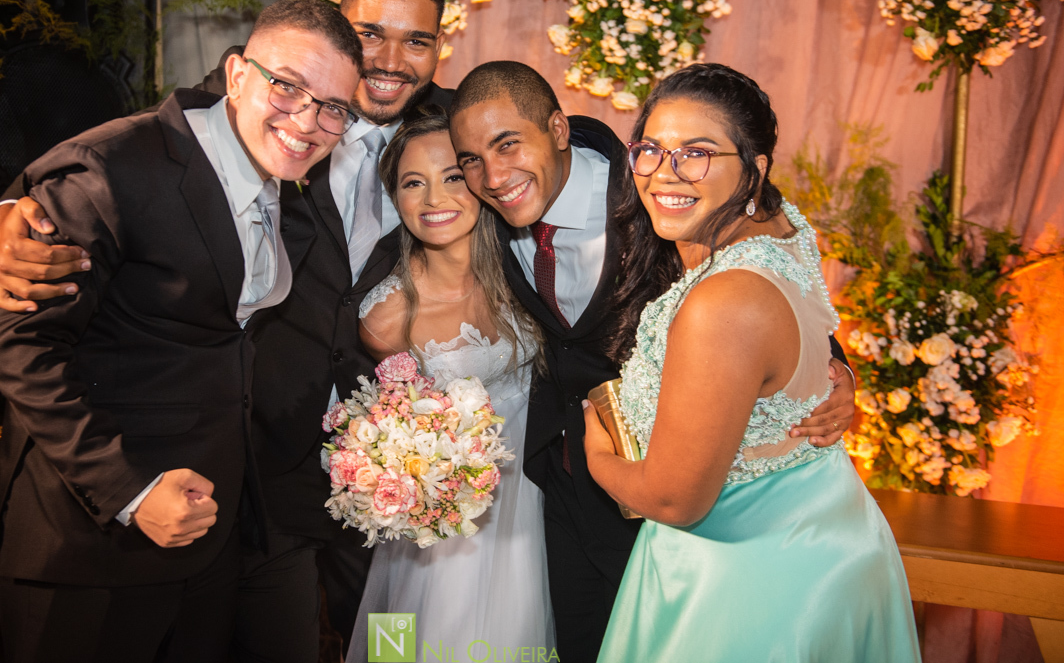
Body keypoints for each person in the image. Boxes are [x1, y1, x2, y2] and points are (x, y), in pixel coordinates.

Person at [0, 0, 455, 661]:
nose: (391, 59)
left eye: (416, 40)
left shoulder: (456, 131)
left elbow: (542, 153)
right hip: (237, 470)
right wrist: (9, 211)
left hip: (383, 473)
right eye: (369, 33)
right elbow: (116, 160)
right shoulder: (266, 98)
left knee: (389, 645)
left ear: (440, 46)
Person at [447, 61, 860, 663]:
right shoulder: (484, 208)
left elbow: (765, 281)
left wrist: (836, 372)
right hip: (559, 486)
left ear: (558, 130)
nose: (493, 175)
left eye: (509, 145)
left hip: (672, 500)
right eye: (472, 160)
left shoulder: (659, 191)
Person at [582, 63, 919, 661]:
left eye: (697, 153)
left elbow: (675, 501)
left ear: (755, 169)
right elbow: (786, 336)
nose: (664, 173)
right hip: (823, 531)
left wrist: (597, 453)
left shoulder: (723, 301)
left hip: (752, 578)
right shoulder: (781, 227)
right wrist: (830, 375)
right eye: (651, 150)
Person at [344, 109, 553, 661]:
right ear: (395, 197)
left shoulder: (530, 268)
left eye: (453, 176)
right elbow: (395, 433)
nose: (434, 198)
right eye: (413, 182)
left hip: (536, 497)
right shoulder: (387, 318)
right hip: (451, 527)